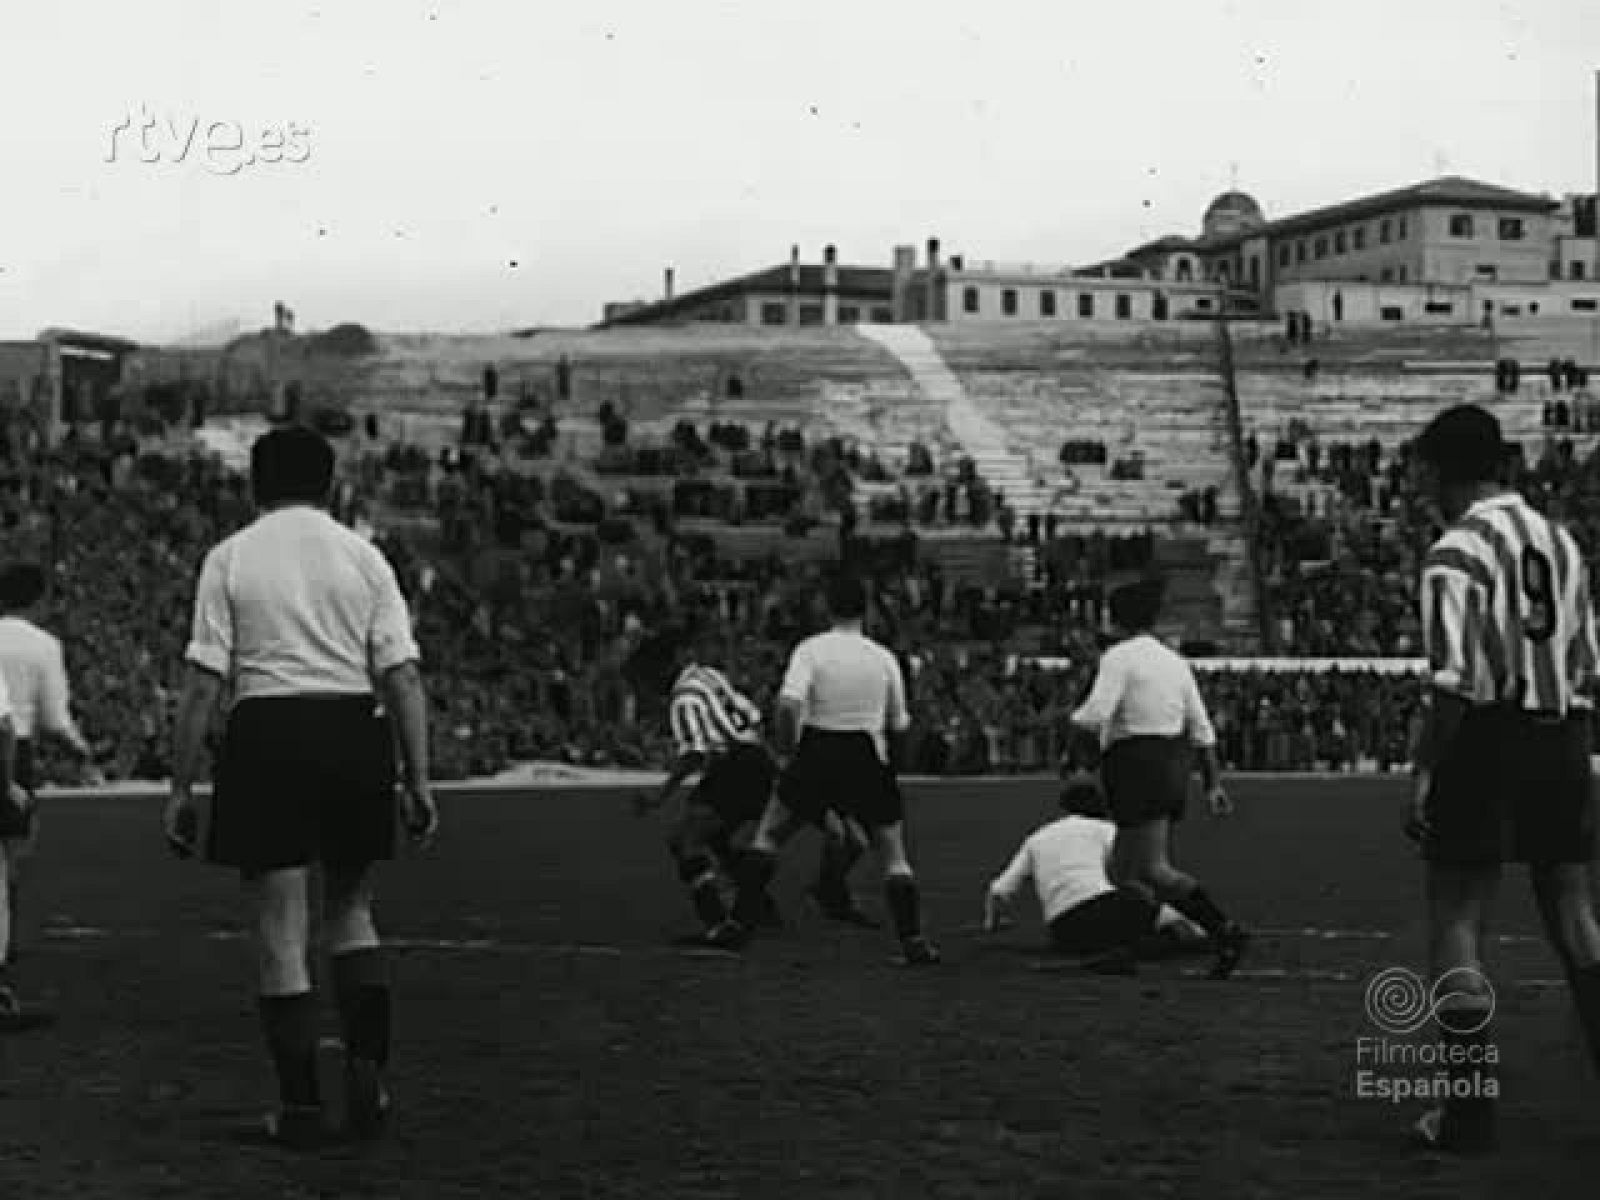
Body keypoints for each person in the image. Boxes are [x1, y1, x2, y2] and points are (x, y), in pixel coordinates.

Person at [163, 426, 438, 1150]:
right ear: (329, 483)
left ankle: (302, 1107)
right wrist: (418, 778)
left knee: (280, 932)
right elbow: (403, 675)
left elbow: (201, 684)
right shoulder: (365, 557)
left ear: (256, 484)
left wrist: (180, 787)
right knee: (351, 911)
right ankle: (368, 1072)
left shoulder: (229, 558)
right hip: (352, 728)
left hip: (266, 733)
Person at [1405, 403, 1600, 1154]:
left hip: (1486, 738)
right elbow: (1585, 660)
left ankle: (1466, 1113)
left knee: (1457, 917)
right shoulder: (1561, 541)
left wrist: (1422, 772)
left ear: (1435, 469)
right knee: (1575, 914)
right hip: (1563, 734)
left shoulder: (1455, 551)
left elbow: (1453, 682)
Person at [714, 571, 940, 965]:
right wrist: (888, 765)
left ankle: (738, 925)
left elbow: (787, 706)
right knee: (893, 854)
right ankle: (913, 940)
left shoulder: (812, 650)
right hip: (866, 752)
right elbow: (900, 724)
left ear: (826, 606)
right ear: (866, 609)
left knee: (768, 835)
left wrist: (786, 753)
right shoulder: (883, 658)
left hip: (818, 747)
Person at [629, 627, 875, 939]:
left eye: (646, 680)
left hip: (735, 767)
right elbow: (752, 716)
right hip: (758, 757)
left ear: (660, 671)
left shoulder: (684, 699)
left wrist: (658, 797)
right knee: (722, 838)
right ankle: (760, 902)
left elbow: (693, 753)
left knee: (684, 840)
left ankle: (720, 924)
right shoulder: (708, 676)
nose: (647, 689)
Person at [1064, 574, 1248, 981]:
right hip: (1171, 763)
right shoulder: (1174, 662)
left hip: (1134, 763)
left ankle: (1224, 930)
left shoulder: (1118, 658)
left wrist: (1067, 721)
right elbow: (1203, 729)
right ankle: (1127, 947)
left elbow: (1094, 715)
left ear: (1116, 619)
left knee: (1152, 869)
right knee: (1122, 869)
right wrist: (1213, 783)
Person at [983, 770, 1207, 973]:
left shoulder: (1036, 839)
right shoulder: (1105, 830)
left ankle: (1120, 952)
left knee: (1117, 935)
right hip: (1106, 908)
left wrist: (992, 922)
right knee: (1177, 926)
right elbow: (1139, 871)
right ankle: (1208, 936)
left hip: (1064, 930)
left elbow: (998, 890)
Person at [0, 562, 101, 981]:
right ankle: (5, 938)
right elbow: (54, 720)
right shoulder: (42, 645)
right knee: (10, 853)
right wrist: (82, 751)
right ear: (38, 600)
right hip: (12, 749)